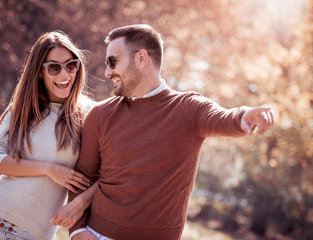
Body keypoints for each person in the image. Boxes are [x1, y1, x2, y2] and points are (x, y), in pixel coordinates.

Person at [58, 24, 274, 240]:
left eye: (112, 61)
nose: (107, 71)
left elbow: (223, 117)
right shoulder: (100, 114)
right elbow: (83, 177)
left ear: (141, 58)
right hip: (98, 235)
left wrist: (245, 115)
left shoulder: (189, 108)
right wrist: (77, 231)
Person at [0, 30, 98, 240]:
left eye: (71, 65)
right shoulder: (22, 108)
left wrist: (81, 203)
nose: (65, 75)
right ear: (39, 72)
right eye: (54, 67)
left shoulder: (90, 114)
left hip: (33, 235)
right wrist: (48, 169)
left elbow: (110, 173)